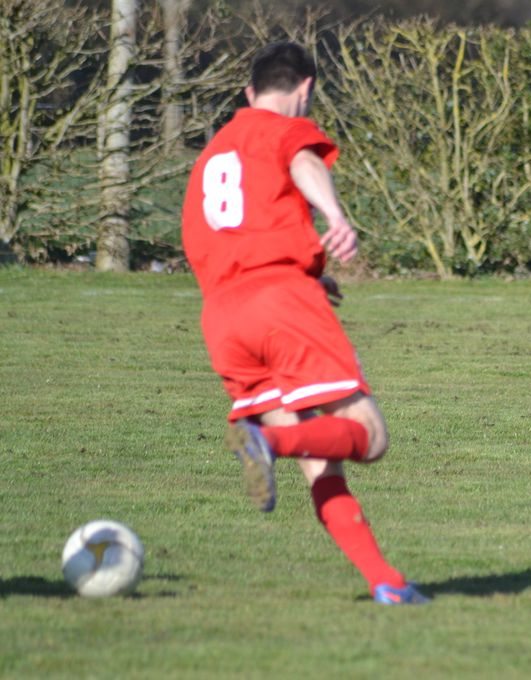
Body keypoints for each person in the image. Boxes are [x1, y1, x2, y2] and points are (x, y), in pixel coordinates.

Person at [181, 41, 428, 605]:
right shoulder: (280, 130)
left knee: (322, 459)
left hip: (222, 317)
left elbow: (220, 240)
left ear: (248, 92)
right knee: (369, 435)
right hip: (281, 306)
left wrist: (303, 275)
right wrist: (335, 216)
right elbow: (304, 160)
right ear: (306, 88)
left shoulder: (210, 157)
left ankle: (386, 582)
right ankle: (266, 441)